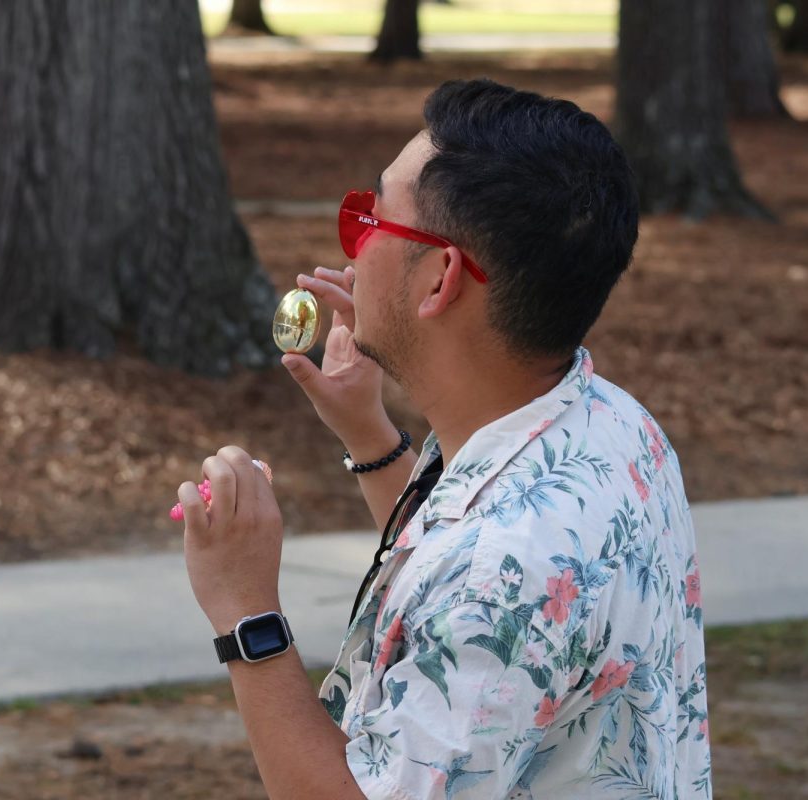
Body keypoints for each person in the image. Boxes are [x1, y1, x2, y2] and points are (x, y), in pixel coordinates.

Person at [178, 78, 711, 799]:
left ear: (439, 279)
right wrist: (369, 435)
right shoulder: (611, 423)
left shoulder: (506, 567)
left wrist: (245, 611)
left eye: (369, 219)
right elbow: (461, 585)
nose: (355, 246)